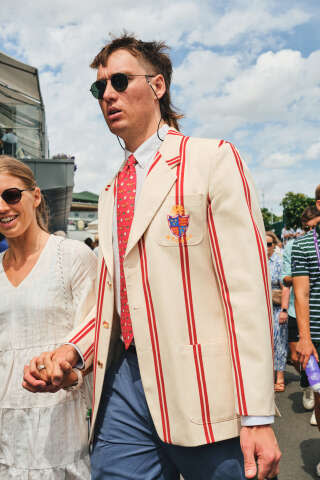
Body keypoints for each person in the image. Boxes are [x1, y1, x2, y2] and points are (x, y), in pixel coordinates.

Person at [23, 34, 280, 480]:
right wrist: (72, 352)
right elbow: (111, 298)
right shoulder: (109, 192)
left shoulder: (212, 160)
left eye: (120, 80)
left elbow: (247, 289)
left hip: (205, 387)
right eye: (98, 87)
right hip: (124, 384)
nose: (107, 94)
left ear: (158, 86)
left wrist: (256, 412)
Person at [0, 155, 97, 478]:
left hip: (62, 431)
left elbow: (94, 344)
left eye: (11, 195)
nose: (2, 207)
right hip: (6, 436)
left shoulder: (72, 257)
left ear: (36, 195)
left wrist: (65, 374)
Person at [282, 206, 320, 420]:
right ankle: (309, 386)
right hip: (311, 323)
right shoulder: (301, 245)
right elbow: (300, 291)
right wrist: (305, 338)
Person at [266, 231, 288, 392]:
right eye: (264, 244)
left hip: (276, 306)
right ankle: (266, 375)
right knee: (264, 342)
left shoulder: (279, 261)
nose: (266, 247)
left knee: (278, 341)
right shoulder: (256, 261)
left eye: (269, 244)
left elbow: (285, 287)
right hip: (260, 307)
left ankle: (279, 376)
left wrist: (284, 310)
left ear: (274, 245)